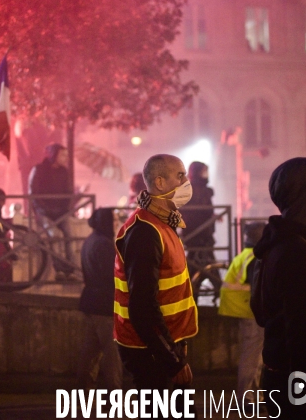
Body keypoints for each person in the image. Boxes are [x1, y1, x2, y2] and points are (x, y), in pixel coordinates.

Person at [114, 154, 198, 416]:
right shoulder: (144, 232)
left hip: (166, 343)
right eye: (180, 176)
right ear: (160, 183)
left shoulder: (163, 223)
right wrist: (172, 359)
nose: (187, 181)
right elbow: (142, 306)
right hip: (151, 350)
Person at [251, 157, 306, 419]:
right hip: (297, 378)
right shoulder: (295, 251)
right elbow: (301, 331)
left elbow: (261, 311)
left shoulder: (279, 242)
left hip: (283, 373)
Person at [219, 221, 266, 413]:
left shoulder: (245, 256)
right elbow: (258, 289)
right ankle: (246, 398)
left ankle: (254, 397)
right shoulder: (256, 257)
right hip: (251, 312)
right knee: (253, 357)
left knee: (255, 357)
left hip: (244, 310)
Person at [77, 208, 123, 391]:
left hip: (92, 304)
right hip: (105, 306)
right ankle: (115, 395)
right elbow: (112, 276)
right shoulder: (104, 245)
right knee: (112, 357)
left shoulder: (91, 241)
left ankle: (83, 390)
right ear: (106, 222)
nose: (116, 223)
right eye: (113, 220)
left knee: (90, 353)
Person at [28, 143, 76, 281]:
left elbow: (68, 192)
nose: (65, 157)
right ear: (53, 155)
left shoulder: (64, 172)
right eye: (62, 154)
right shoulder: (39, 170)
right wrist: (41, 210)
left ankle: (71, 270)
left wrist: (66, 209)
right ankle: (59, 270)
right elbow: (33, 192)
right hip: (44, 212)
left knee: (69, 236)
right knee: (54, 235)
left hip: (61, 212)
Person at [182, 161, 219, 287]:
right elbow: (196, 212)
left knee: (196, 272)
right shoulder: (197, 190)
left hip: (198, 236)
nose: (206, 174)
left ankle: (192, 298)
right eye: (204, 171)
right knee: (209, 271)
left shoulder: (193, 189)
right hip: (199, 236)